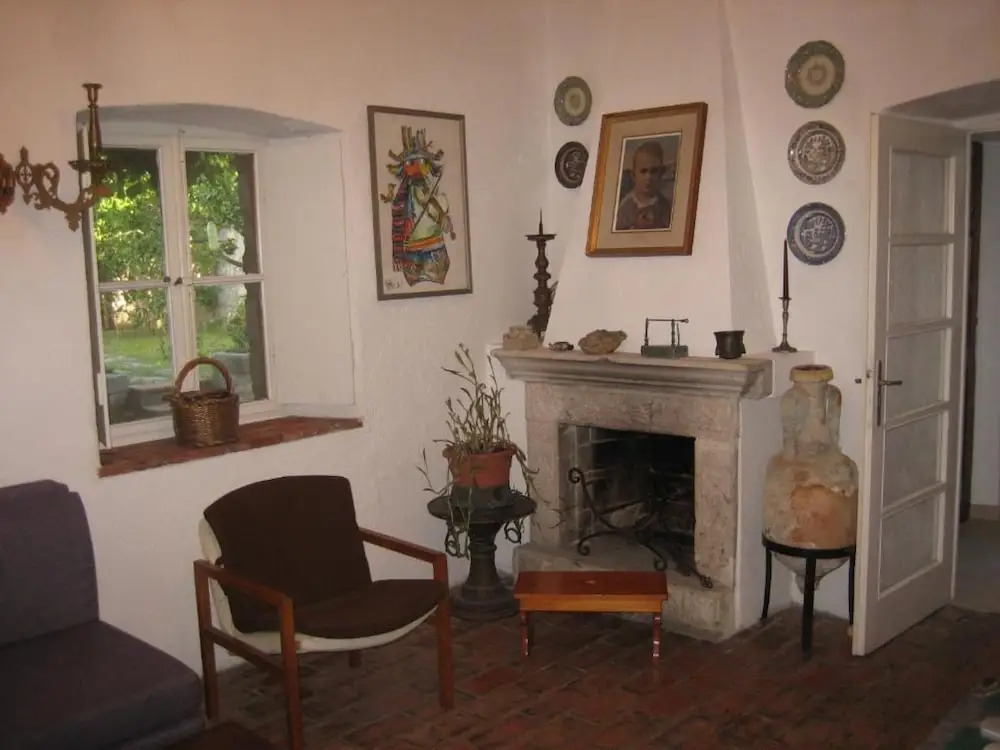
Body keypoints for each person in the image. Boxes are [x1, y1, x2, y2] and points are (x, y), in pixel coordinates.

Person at [614, 140, 673, 231]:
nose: (648, 177)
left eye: (654, 171)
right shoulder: (626, 207)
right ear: (633, 176)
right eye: (643, 171)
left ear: (661, 173)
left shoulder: (664, 206)